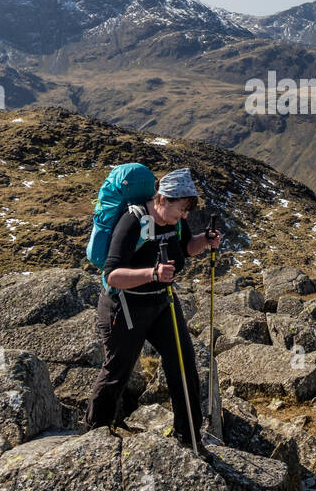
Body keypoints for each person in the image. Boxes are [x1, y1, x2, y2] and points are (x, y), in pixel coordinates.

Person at [84, 167, 222, 452]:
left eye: (186, 211)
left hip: (161, 303)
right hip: (125, 307)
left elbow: (184, 249)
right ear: (163, 199)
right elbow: (112, 275)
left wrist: (204, 241)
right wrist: (153, 274)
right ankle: (94, 436)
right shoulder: (133, 220)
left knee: (183, 365)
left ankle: (189, 438)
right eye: (181, 209)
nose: (184, 216)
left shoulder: (174, 222)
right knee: (117, 372)